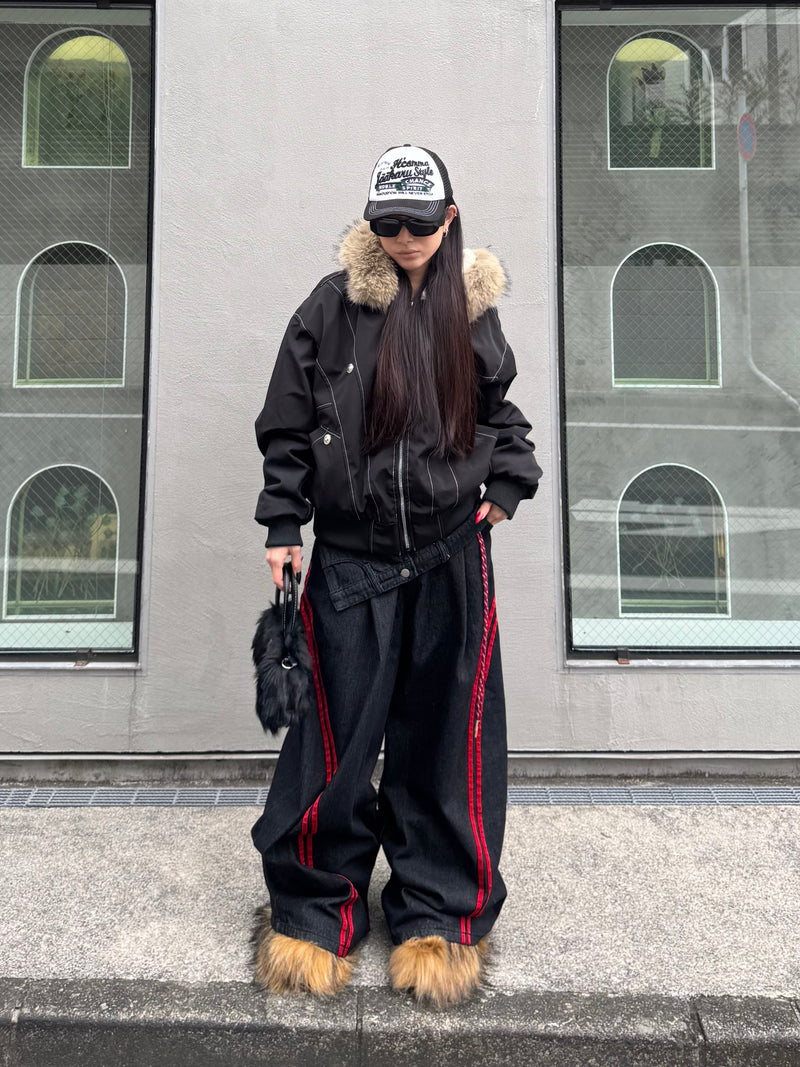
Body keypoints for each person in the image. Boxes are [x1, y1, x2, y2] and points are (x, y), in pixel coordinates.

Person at [250, 145, 542, 1008]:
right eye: (388, 223)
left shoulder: (471, 309)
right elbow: (287, 422)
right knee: (332, 742)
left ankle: (438, 914)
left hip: (452, 556)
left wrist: (507, 488)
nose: (405, 237)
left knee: (448, 740)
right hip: (352, 557)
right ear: (370, 223)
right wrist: (281, 523)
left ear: (449, 219)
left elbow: (502, 414)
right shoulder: (331, 306)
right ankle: (314, 912)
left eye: (419, 222)